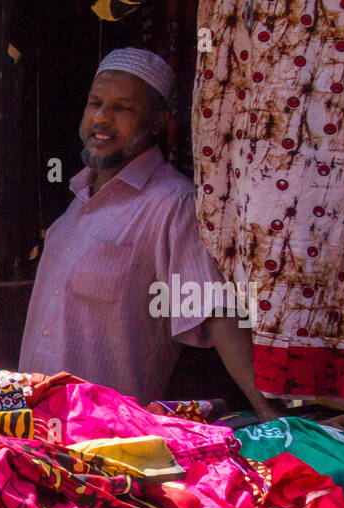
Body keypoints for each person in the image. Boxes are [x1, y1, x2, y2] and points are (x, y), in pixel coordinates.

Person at [17, 48, 277, 417]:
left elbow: (217, 313)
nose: (102, 118)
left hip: (102, 440)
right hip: (29, 426)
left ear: (158, 122)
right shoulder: (76, 203)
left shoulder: (172, 203)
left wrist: (273, 418)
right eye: (95, 103)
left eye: (123, 108)